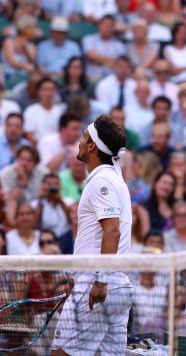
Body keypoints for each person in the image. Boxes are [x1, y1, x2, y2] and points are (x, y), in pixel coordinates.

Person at [51, 115, 133, 356]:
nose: (80, 140)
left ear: (92, 146)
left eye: (84, 136)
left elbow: (112, 230)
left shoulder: (102, 181)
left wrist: (99, 280)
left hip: (100, 283)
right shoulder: (115, 179)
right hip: (116, 286)